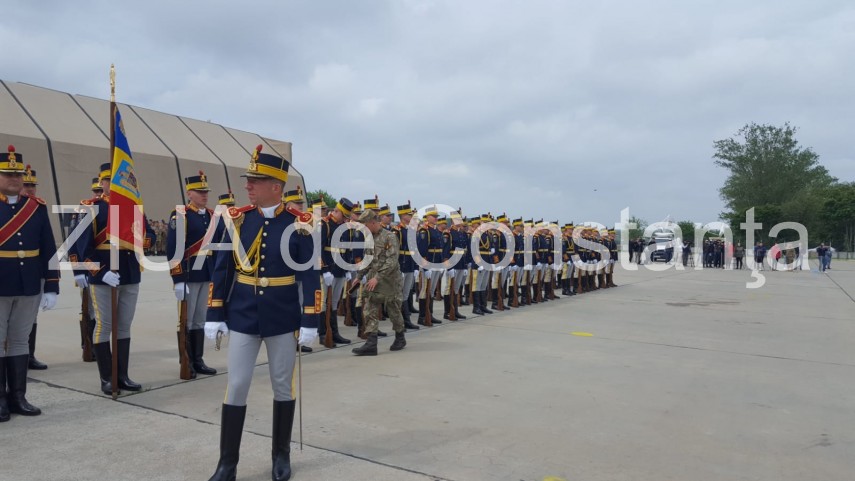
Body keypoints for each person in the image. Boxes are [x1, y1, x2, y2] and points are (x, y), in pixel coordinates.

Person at [204, 145, 320, 481]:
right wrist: (215, 311)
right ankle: (227, 464)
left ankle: (280, 455)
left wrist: (310, 318)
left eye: (255, 180)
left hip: (282, 317)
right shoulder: (238, 219)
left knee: (282, 385)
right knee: (237, 384)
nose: (248, 185)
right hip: (243, 314)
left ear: (276, 186)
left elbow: (309, 274)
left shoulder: (299, 224)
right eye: (249, 180)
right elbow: (222, 269)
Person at [71, 162, 155, 395]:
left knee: (124, 326)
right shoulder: (91, 208)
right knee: (105, 324)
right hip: (104, 276)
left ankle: (122, 375)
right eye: (109, 180)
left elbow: (150, 236)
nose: (113, 184)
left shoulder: (133, 207)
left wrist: (137, 236)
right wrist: (100, 272)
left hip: (129, 272)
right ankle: (107, 378)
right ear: (103, 182)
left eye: (118, 179)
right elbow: (83, 249)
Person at [1, 146, 60, 422]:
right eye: (8, 174)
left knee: (19, 341)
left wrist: (52, 285)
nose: (14, 179)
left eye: (17, 175)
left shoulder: (36, 207)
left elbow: (48, 247)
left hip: (28, 286)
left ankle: (18, 396)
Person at [167, 171, 218, 378]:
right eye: (199, 192)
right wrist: (178, 279)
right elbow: (173, 249)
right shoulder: (180, 215)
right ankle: (186, 361)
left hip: (206, 273)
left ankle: (198, 359)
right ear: (189, 193)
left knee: (200, 320)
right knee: (186, 320)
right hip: (189, 275)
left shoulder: (212, 215)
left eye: (206, 192)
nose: (204, 195)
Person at [351, 209, 407, 356]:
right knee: (369, 309)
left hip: (390, 280)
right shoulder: (369, 238)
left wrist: (378, 277)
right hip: (373, 280)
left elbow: (392, 261)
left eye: (365, 225)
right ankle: (371, 343)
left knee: (393, 310)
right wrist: (359, 276)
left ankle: (400, 337)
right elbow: (367, 259)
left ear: (372, 222)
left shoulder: (390, 237)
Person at [20, 165, 48, 370]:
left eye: (33, 186)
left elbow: (46, 244)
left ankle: (29, 355)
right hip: (10, 272)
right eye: (26, 185)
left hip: (34, 270)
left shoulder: (38, 208)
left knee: (32, 314)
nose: (30, 189)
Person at [318, 197, 355, 345]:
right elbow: (318, 250)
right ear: (337, 211)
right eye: (344, 216)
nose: (345, 219)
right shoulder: (324, 225)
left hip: (340, 270)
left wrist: (347, 269)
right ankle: (323, 333)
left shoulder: (343, 227)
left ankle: (334, 332)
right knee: (323, 303)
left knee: (334, 302)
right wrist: (324, 270)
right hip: (327, 270)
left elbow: (345, 250)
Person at [393, 202, 420, 330]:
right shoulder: (397, 231)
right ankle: (400, 321)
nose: (411, 217)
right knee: (399, 295)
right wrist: (397, 268)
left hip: (409, 265)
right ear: (403, 216)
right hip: (401, 266)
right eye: (409, 215)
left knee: (406, 293)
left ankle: (406, 320)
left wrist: (415, 267)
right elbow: (394, 252)